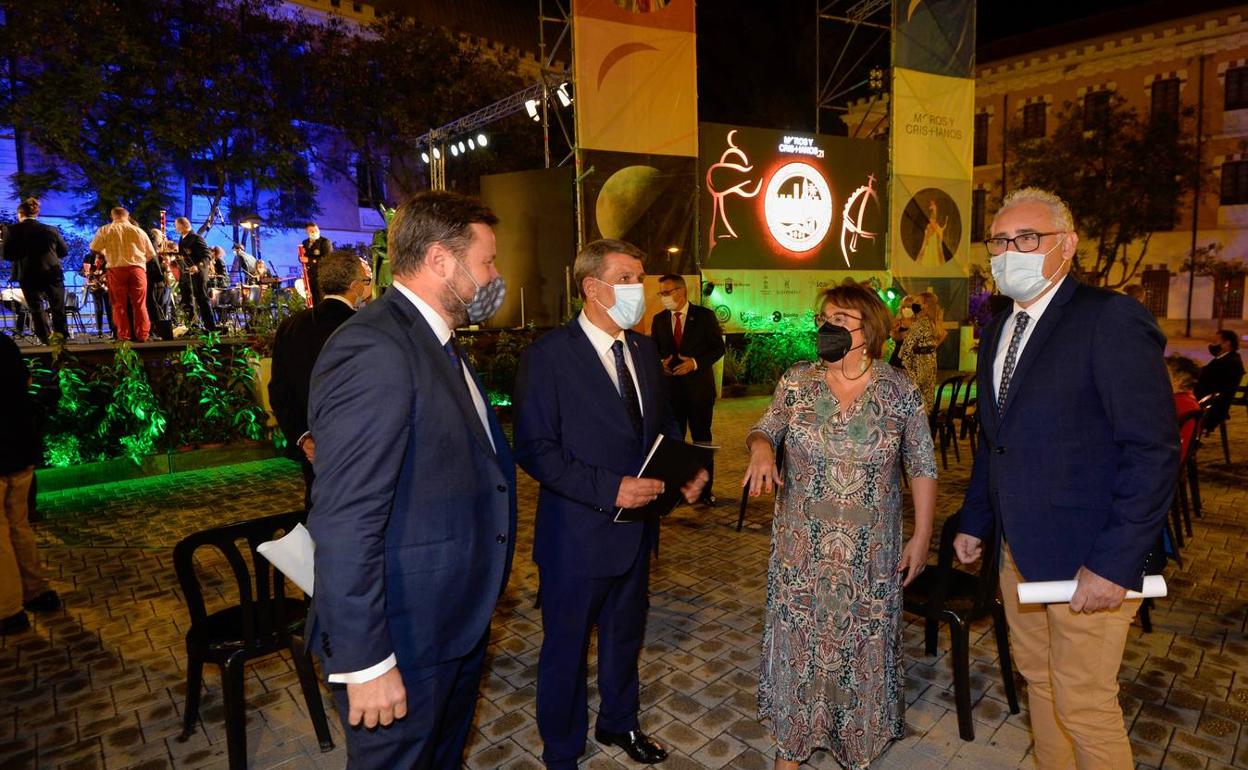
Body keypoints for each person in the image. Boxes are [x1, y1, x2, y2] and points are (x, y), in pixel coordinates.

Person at [953, 187, 1177, 770]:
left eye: (1027, 238)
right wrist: (976, 521)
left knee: (1083, 702)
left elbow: (1152, 452)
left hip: (1090, 559)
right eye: (1000, 241)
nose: (1010, 252)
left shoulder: (1109, 318)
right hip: (1016, 551)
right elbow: (993, 441)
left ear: (1067, 246)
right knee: (1041, 686)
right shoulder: (1000, 326)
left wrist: (1113, 563)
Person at [305, 191, 515, 769]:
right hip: (403, 637)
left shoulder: (437, 342)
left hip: (450, 624)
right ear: (442, 261)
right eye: (488, 261)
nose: (495, 277)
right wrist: (367, 662)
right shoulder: (376, 347)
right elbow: (345, 520)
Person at [514, 239, 708, 770]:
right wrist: (608, 488)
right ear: (592, 288)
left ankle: (620, 723)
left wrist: (683, 472)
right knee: (567, 652)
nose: (638, 289)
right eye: (626, 277)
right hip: (576, 536)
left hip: (638, 531)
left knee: (625, 639)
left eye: (640, 277)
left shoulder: (644, 350)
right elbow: (533, 448)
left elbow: (660, 427)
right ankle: (562, 752)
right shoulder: (549, 356)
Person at [741, 281, 936, 769]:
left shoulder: (898, 390)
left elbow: (923, 466)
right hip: (801, 552)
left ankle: (856, 748)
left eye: (841, 320)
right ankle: (792, 747)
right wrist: (762, 445)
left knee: (858, 651)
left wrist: (922, 534)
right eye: (823, 318)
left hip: (870, 554)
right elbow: (765, 426)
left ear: (869, 330)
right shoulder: (797, 381)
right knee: (800, 648)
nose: (827, 328)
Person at [269, 252, 372, 510]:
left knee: (320, 512)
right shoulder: (366, 327)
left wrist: (303, 438)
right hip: (363, 453)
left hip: (313, 451)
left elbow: (279, 391)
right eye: (367, 280)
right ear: (356, 286)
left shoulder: (290, 326)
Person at [0, 330, 60, 634]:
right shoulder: (4, 343)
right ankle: (36, 592)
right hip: (20, 448)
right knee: (19, 525)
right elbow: (25, 383)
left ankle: (8, 609)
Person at [650, 273, 725, 505]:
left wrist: (694, 363)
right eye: (660, 293)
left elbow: (717, 348)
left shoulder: (704, 317)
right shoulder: (659, 319)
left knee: (702, 439)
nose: (663, 297)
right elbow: (655, 349)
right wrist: (658, 363)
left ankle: (704, 491)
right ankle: (676, 491)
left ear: (681, 292)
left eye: (666, 292)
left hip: (699, 391)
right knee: (674, 442)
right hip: (671, 392)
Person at [4, 198, 68, 343]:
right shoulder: (51, 230)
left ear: (20, 213)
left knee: (36, 307)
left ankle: (45, 338)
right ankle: (61, 337)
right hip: (52, 272)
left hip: (28, 274)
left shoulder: (12, 230)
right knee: (57, 306)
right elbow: (63, 252)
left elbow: (7, 255)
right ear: (36, 214)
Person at [90, 207, 156, 342]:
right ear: (128, 215)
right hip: (137, 270)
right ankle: (142, 335)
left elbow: (94, 248)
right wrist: (140, 262)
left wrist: (105, 253)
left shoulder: (105, 230)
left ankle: (123, 335)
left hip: (116, 270)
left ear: (112, 216)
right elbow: (151, 254)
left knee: (119, 305)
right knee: (140, 304)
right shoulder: (138, 231)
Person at [896, 290, 947, 414]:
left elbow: (905, 351)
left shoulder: (918, 324)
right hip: (929, 367)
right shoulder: (932, 323)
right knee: (927, 402)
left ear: (925, 306)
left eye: (917, 302)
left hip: (917, 369)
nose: (914, 305)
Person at [1194, 329, 1244, 432]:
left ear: (1227, 343)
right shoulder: (1225, 359)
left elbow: (1209, 383)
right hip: (1209, 403)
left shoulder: (1230, 363)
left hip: (1211, 409)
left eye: (1215, 342)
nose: (1212, 345)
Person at [174, 217, 218, 332]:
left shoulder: (196, 238)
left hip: (197, 274)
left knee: (202, 300)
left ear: (183, 226)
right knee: (186, 301)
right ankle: (192, 326)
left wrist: (198, 266)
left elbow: (207, 255)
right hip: (185, 274)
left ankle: (210, 327)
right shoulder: (182, 238)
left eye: (176, 225)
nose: (175, 228)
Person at [1166, 354, 1201, 459]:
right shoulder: (1188, 400)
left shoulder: (1178, 403)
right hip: (1170, 458)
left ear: (1179, 380)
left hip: (1164, 461)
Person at [145, 228, 176, 341]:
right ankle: (157, 330)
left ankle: (156, 330)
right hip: (156, 280)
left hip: (156, 280)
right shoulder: (154, 248)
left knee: (157, 305)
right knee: (156, 306)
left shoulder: (154, 248)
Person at [82, 251, 113, 339]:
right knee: (98, 309)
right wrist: (86, 273)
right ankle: (99, 331)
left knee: (109, 309)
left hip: (106, 286)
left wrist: (103, 273)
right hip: (95, 287)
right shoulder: (88, 257)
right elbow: (81, 270)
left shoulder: (107, 256)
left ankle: (112, 330)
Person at [301, 223, 333, 304]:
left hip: (321, 276)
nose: (314, 232)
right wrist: (301, 257)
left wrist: (310, 260)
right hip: (309, 276)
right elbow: (302, 257)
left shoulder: (325, 242)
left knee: (321, 300)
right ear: (307, 232)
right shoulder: (305, 243)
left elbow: (328, 259)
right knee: (312, 300)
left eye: (316, 230)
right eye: (311, 231)